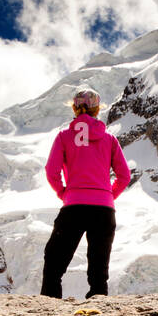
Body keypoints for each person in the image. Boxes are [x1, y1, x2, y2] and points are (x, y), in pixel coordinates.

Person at [40, 88, 131, 298]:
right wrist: (108, 195)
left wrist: (64, 193)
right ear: (97, 109)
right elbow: (124, 176)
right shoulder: (109, 139)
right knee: (99, 270)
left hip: (74, 207)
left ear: (74, 107)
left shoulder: (64, 136)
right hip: (104, 210)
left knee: (54, 261)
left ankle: (50, 308)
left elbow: (51, 171)